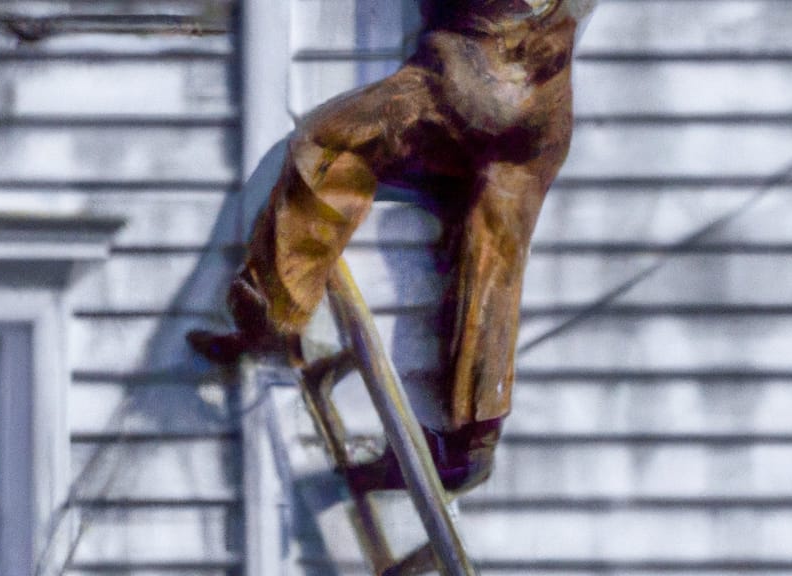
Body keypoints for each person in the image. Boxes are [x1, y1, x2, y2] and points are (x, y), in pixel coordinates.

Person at [189, 0, 594, 493]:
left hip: (467, 77)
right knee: (494, 248)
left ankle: (272, 314)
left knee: (332, 141)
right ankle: (472, 445)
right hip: (542, 104)